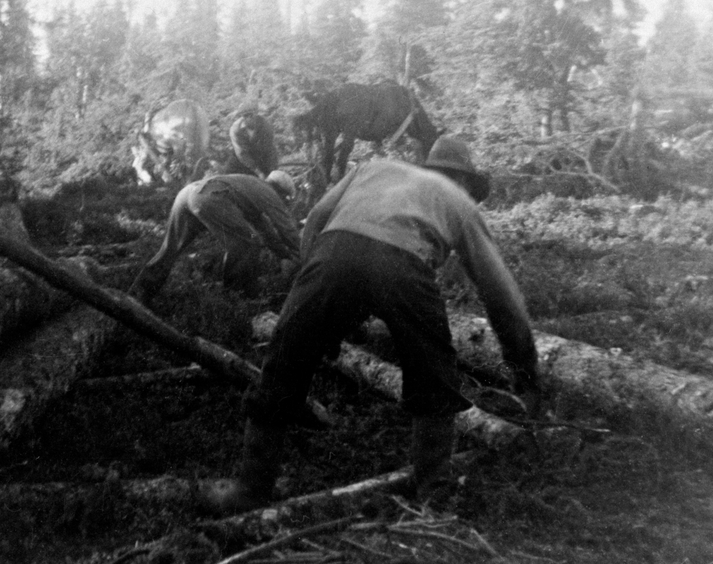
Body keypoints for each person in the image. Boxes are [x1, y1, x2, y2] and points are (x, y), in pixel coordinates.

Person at [202, 136, 542, 514]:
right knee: (433, 373)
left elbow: (315, 219)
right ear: (465, 181)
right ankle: (434, 493)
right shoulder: (457, 199)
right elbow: (501, 295)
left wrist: (312, 295)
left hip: (333, 251)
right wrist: (525, 371)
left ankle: (250, 488)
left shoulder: (374, 167)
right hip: (405, 266)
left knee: (285, 360)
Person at [131, 170, 301, 300]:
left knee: (170, 249)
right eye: (285, 198)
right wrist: (303, 254)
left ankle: (138, 295)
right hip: (209, 198)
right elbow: (287, 228)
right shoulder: (268, 192)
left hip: (187, 194)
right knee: (247, 244)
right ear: (281, 191)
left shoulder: (251, 186)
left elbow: (267, 233)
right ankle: (236, 297)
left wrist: (284, 254)